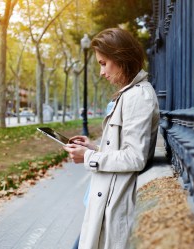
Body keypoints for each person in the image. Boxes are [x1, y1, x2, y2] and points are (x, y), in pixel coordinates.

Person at [63, 28, 160, 249]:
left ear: (121, 58)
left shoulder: (138, 96)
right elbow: (124, 147)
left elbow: (135, 157)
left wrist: (88, 157)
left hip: (114, 206)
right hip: (105, 201)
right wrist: (93, 148)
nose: (101, 72)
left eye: (103, 63)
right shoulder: (130, 93)